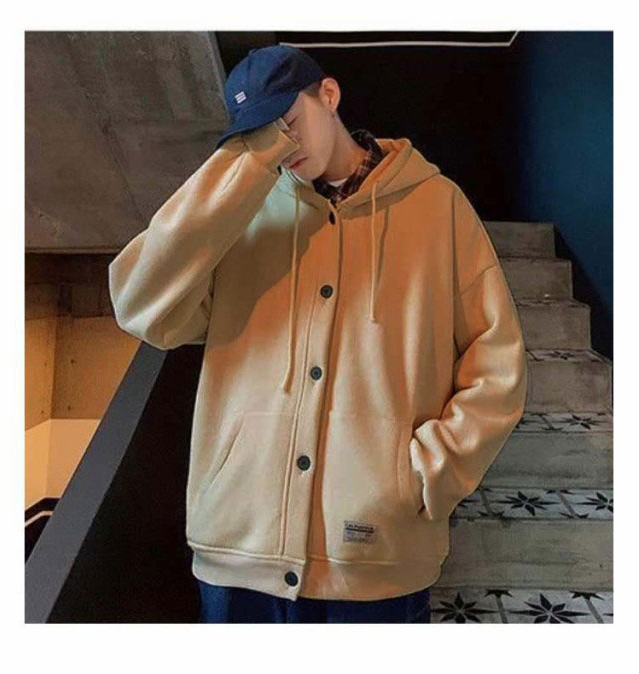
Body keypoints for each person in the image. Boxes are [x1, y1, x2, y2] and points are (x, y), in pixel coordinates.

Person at [108, 45, 528, 623]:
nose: (284, 145)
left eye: (289, 122)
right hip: (238, 554)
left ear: (328, 95)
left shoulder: (438, 206)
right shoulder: (241, 216)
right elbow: (138, 304)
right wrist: (245, 167)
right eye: (260, 135)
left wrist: (429, 471)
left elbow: (497, 360)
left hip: (375, 559)